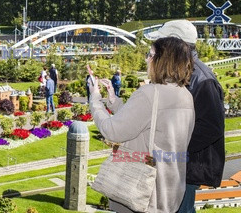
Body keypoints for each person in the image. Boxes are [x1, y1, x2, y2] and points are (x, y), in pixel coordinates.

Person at [88, 37, 195, 212]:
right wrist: (114, 101)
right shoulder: (185, 96)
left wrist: (95, 100)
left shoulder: (150, 93)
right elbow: (148, 123)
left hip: (141, 190)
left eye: (151, 55)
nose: (147, 59)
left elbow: (112, 131)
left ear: (163, 61)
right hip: (169, 189)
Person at [146, 20, 225, 213]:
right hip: (177, 163)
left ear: (174, 45)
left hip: (185, 168)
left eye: (160, 44)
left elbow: (212, 127)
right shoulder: (182, 72)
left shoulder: (201, 79)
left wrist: (172, 147)